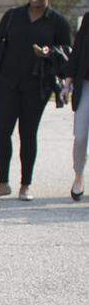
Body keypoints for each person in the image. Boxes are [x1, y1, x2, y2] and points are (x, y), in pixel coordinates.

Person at [0, 0, 72, 201]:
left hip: (37, 85)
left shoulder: (58, 21)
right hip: (7, 83)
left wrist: (49, 52)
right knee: (2, 132)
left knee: (28, 134)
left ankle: (25, 185)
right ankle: (2, 183)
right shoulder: (13, 16)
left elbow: (67, 52)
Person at [65, 10, 89, 201]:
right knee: (80, 136)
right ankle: (78, 176)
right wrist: (67, 83)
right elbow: (77, 50)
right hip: (86, 85)